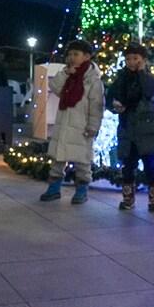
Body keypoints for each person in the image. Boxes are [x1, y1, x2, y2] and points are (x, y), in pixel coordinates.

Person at [40, 40, 105, 206]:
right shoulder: (67, 74)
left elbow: (96, 106)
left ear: (87, 57)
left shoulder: (92, 80)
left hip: (81, 126)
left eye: (76, 54)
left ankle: (81, 189)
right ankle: (54, 188)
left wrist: (93, 126)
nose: (72, 57)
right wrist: (66, 73)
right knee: (58, 158)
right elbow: (55, 87)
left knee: (83, 161)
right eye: (70, 54)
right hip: (63, 124)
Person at [108, 44, 154, 212]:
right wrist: (114, 104)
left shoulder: (148, 78)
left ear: (142, 60)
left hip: (146, 127)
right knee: (128, 164)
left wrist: (141, 72)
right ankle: (128, 199)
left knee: (150, 164)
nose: (131, 62)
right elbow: (111, 95)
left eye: (135, 58)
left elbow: (149, 91)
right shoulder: (122, 78)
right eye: (128, 59)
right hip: (128, 126)